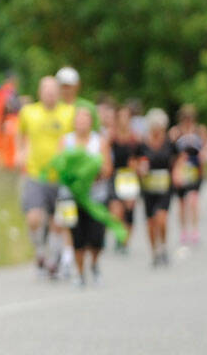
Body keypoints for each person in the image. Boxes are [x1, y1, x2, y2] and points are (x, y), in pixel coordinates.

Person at [15, 76, 73, 277]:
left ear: (58, 93)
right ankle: (39, 250)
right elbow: (21, 135)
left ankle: (54, 258)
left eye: (53, 90)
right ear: (40, 92)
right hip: (35, 173)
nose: (49, 94)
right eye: (46, 90)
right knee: (33, 217)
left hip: (61, 175)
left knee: (58, 221)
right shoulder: (28, 112)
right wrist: (20, 151)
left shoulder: (68, 113)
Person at [61, 107, 110, 285]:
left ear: (91, 122)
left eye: (85, 120)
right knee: (77, 235)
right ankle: (80, 273)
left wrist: (92, 172)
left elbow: (107, 169)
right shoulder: (66, 141)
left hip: (95, 196)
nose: (82, 123)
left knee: (96, 236)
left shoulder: (99, 142)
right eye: (79, 120)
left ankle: (95, 263)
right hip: (72, 196)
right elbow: (61, 167)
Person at [136, 108, 180, 267]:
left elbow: (178, 159)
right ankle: (154, 251)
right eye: (153, 127)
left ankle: (163, 246)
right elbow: (134, 160)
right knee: (150, 222)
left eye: (159, 127)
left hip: (164, 185)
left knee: (161, 218)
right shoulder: (142, 143)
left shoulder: (170, 142)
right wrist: (140, 168)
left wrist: (176, 172)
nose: (156, 130)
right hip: (148, 186)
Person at [170, 104, 207, 246]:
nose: (187, 121)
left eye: (190, 118)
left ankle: (194, 230)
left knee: (193, 200)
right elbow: (171, 151)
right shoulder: (175, 132)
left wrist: (203, 157)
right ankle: (183, 231)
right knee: (181, 203)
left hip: (194, 170)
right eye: (185, 118)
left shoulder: (200, 131)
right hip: (181, 169)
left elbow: (206, 148)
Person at [106, 102, 142, 254]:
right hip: (115, 175)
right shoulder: (111, 137)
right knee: (116, 209)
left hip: (130, 177)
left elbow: (142, 158)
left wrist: (138, 167)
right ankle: (118, 234)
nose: (123, 119)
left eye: (126, 117)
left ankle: (125, 240)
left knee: (129, 210)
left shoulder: (135, 139)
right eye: (120, 117)